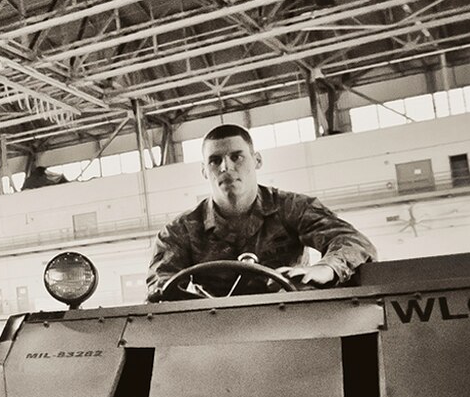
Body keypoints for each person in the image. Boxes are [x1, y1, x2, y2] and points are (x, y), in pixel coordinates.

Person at [146, 123, 375, 298]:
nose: (226, 167)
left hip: (291, 321)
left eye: (236, 156)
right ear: (205, 171)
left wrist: (326, 268)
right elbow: (160, 285)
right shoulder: (179, 232)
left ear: (257, 160)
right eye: (215, 161)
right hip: (214, 330)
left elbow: (353, 242)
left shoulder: (291, 208)